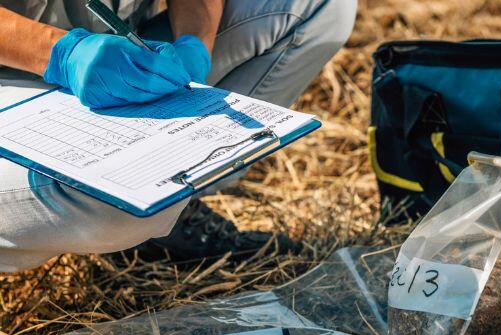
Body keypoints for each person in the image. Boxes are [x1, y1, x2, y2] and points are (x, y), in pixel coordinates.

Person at [0, 0, 357, 272]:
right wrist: (59, 53)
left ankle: (170, 216)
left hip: (116, 60)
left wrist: (196, 42)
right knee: (125, 200)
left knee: (318, 5)